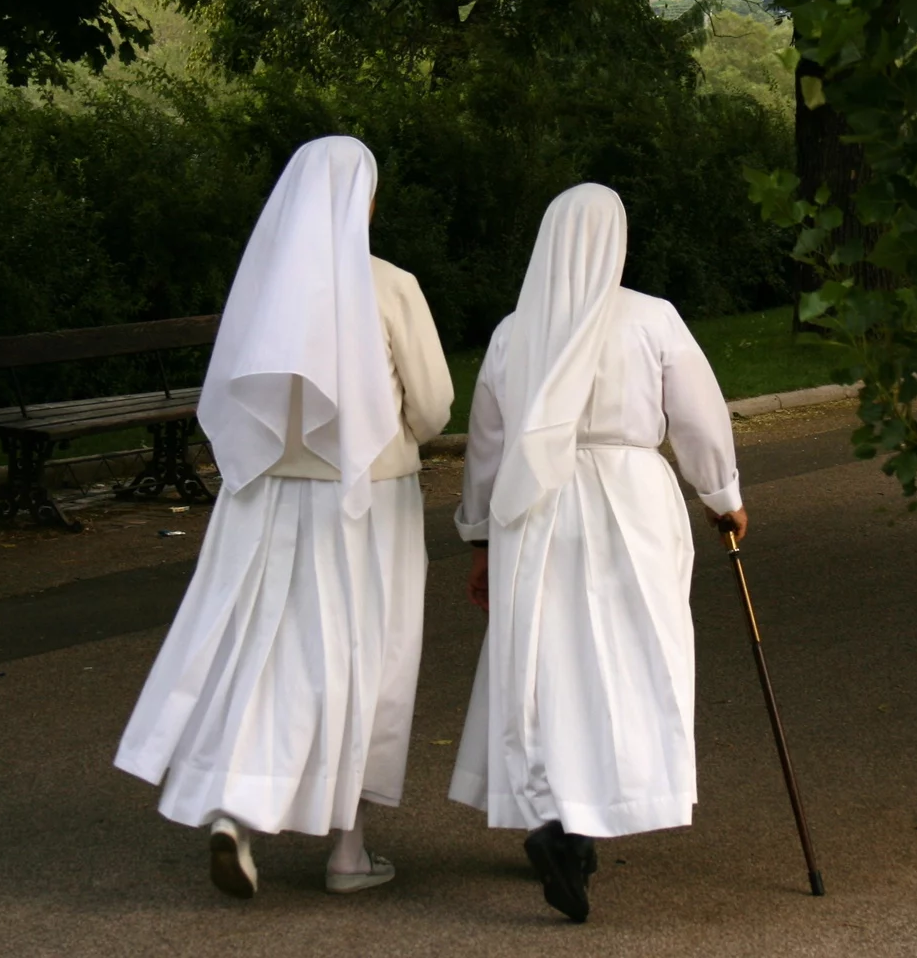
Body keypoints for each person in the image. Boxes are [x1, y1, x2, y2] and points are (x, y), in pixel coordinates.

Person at [114, 136, 454, 898]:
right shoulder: (390, 285)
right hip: (366, 504)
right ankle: (348, 851)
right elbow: (431, 408)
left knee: (268, 653)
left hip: (266, 497)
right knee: (364, 658)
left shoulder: (263, 288)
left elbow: (230, 397)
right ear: (364, 199)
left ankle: (237, 808)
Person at [449, 182, 746, 923]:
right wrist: (722, 496)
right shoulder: (652, 318)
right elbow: (699, 421)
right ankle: (593, 812)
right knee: (629, 652)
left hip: (534, 506)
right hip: (629, 502)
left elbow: (485, 446)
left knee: (546, 662)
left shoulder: (515, 333)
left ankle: (559, 821)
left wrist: (481, 536)